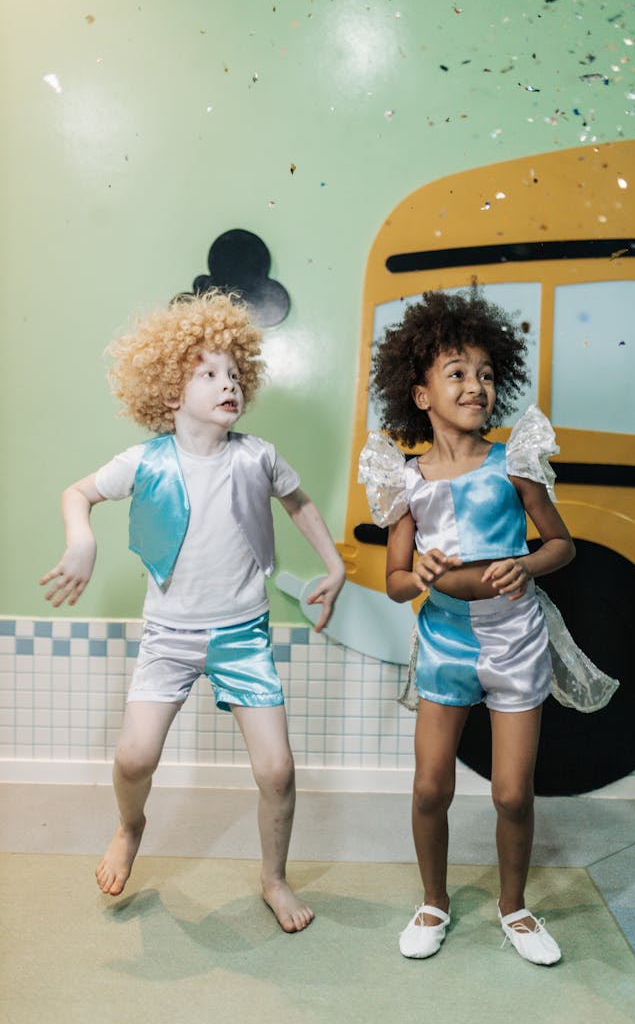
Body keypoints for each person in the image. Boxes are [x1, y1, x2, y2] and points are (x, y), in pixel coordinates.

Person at [40, 291, 346, 933]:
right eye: (208, 373)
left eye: (234, 374)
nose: (227, 383)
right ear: (170, 393)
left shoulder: (256, 456)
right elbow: (78, 493)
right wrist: (82, 539)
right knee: (133, 759)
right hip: (169, 639)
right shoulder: (145, 460)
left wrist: (335, 564)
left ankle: (274, 878)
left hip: (243, 637)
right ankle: (130, 825)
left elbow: (300, 503)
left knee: (277, 769)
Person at [359, 285, 578, 966]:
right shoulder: (405, 482)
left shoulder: (513, 463)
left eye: (485, 374)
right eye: (456, 373)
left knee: (513, 792)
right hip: (445, 645)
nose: (475, 385)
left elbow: (562, 544)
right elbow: (395, 584)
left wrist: (530, 567)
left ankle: (515, 907)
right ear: (421, 394)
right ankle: (434, 901)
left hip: (515, 641)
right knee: (431, 785)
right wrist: (417, 573)